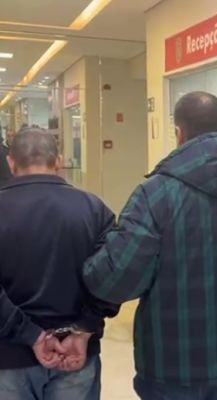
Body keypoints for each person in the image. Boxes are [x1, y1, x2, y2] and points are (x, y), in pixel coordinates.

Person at [83, 92, 217, 400]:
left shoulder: (156, 195)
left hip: (175, 366)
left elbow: (115, 281)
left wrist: (89, 264)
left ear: (179, 133)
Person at [0, 128, 119, 400]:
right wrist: (84, 327)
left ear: (11, 162)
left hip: (8, 358)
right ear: (59, 161)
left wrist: (31, 335)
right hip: (75, 354)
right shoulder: (94, 209)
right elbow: (113, 275)